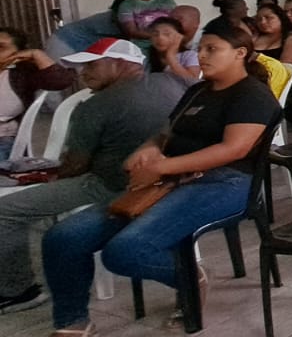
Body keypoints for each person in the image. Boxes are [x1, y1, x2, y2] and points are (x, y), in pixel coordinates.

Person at [15, 22, 282, 337]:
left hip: (226, 183)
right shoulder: (198, 91)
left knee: (125, 251)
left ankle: (190, 276)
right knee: (63, 237)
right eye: (201, 48)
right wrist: (149, 150)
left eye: (212, 49)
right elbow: (165, 133)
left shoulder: (251, 95)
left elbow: (234, 149)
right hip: (174, 178)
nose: (202, 55)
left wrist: (163, 167)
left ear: (240, 53)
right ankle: (72, 325)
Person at [0, 39, 185, 313]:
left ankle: (19, 291)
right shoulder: (174, 82)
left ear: (121, 63)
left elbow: (76, 166)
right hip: (176, 180)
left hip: (111, 185)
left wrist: (48, 178)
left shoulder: (94, 106)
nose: (83, 73)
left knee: (6, 210)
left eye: (92, 65)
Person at [0, 28, 75, 162]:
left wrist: (37, 54)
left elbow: (60, 81)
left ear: (18, 53)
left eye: (1, 47)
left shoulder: (21, 74)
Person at [114, 0, 178, 51]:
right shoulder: (126, 5)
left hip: (169, 43)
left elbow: (177, 23)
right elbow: (131, 31)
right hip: (142, 47)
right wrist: (158, 36)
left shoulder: (166, 0)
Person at [251, 1, 292, 71]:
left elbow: (282, 70)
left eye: (268, 18)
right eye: (259, 19)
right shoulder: (256, 36)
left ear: (281, 18)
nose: (262, 22)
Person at [146, 16, 200, 87]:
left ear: (179, 37)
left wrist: (171, 57)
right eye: (155, 34)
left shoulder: (190, 55)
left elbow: (193, 82)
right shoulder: (144, 55)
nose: (160, 38)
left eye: (167, 34)